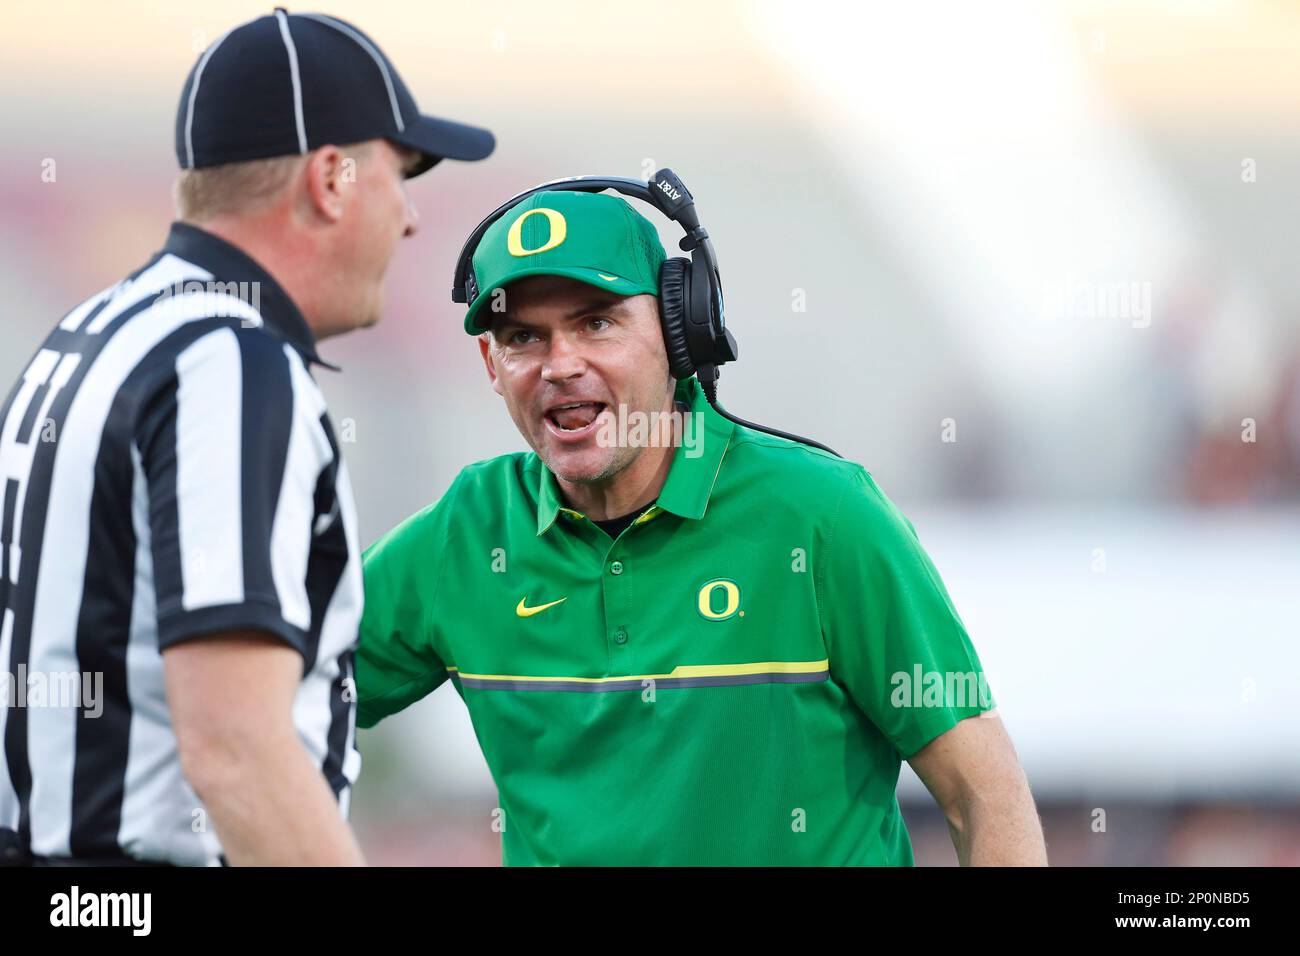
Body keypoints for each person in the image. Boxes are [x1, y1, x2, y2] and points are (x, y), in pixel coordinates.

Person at [355, 186, 1047, 865]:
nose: (560, 365)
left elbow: (980, 790)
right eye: (523, 338)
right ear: (492, 366)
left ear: (678, 330)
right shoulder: (463, 534)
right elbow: (266, 699)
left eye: (596, 322)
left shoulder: (823, 514)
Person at [0, 10, 494, 866]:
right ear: (331, 178)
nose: (411, 218)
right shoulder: (227, 364)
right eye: (399, 173)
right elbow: (236, 752)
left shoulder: (92, 333)